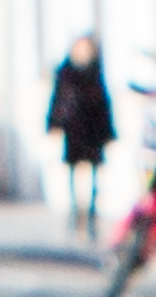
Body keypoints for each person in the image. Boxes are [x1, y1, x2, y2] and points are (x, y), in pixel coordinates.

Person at [47, 29, 115, 243]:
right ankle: (76, 214)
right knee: (74, 173)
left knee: (94, 175)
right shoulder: (66, 72)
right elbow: (57, 99)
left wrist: (108, 132)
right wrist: (54, 123)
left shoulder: (95, 72)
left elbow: (104, 103)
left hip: (92, 129)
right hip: (74, 129)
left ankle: (92, 216)